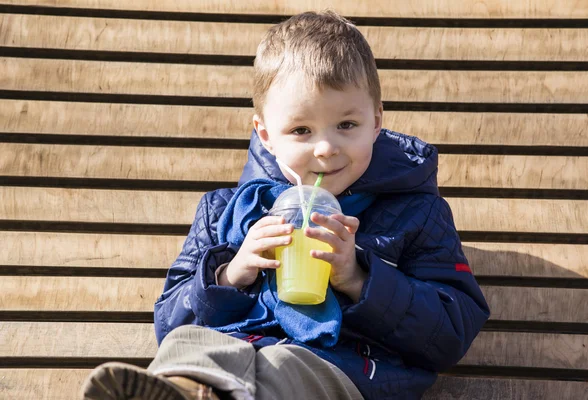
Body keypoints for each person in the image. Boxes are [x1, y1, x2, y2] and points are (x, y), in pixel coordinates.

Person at [81, 10, 489, 400]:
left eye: (347, 124)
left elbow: (452, 330)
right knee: (189, 343)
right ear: (266, 134)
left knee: (283, 363)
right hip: (227, 360)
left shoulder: (416, 214)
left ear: (377, 119)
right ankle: (187, 391)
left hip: (341, 371)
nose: (326, 148)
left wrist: (359, 279)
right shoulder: (225, 213)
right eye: (301, 130)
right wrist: (230, 273)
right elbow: (169, 323)